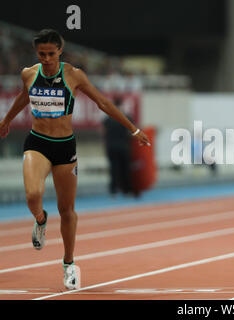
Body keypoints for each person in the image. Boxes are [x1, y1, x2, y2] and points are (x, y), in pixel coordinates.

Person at [0, 29, 150, 289]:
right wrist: (6, 121)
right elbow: (24, 97)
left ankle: (69, 264)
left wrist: (133, 129)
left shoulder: (73, 75)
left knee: (67, 210)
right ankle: (40, 220)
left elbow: (103, 103)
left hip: (65, 147)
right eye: (41, 54)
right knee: (32, 195)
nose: (46, 59)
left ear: (60, 52)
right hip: (37, 142)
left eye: (50, 53)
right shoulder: (28, 74)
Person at [102, 96, 133, 197]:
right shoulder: (127, 117)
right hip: (123, 146)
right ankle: (126, 190)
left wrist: (105, 146)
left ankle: (113, 190)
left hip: (111, 147)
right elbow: (132, 133)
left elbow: (104, 134)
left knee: (113, 169)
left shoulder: (107, 119)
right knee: (125, 169)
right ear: (122, 105)